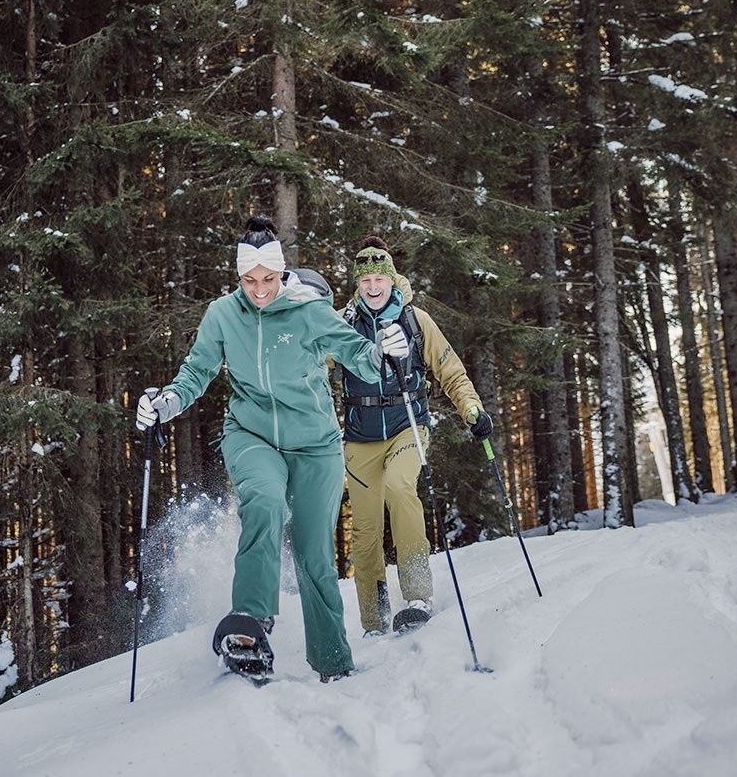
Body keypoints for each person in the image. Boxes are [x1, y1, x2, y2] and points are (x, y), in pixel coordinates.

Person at [135, 216, 409, 682]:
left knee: (313, 552)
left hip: (315, 444)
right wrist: (166, 402)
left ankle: (332, 661)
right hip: (251, 433)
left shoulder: (308, 310)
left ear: (282, 274)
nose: (259, 289)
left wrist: (386, 350)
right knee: (261, 501)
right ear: (238, 277)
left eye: (268, 279)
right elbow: (196, 371)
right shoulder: (223, 314)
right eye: (249, 280)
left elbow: (357, 354)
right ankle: (251, 624)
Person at [335, 236, 492, 637]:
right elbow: (312, 368)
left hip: (408, 425)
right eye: (365, 279)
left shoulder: (415, 319)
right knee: (365, 527)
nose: (373, 286)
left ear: (391, 279)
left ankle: (418, 595)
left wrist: (471, 409)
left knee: (399, 487)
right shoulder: (342, 323)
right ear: (358, 282)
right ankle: (373, 617)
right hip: (358, 435)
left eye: (379, 278)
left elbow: (449, 369)